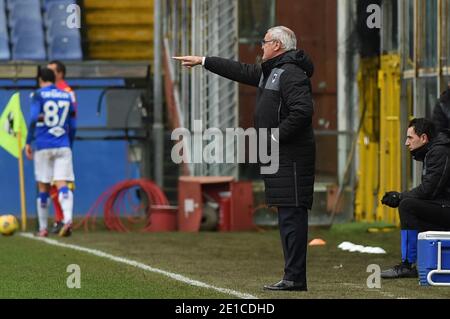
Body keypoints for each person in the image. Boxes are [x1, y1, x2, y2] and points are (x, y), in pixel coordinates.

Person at [174, 26, 315, 291]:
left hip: (292, 158)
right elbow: (239, 70)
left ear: (276, 45)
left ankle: (295, 278)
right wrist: (204, 61)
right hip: (279, 156)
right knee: (286, 216)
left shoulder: (291, 73)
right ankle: (291, 276)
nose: (260, 46)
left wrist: (272, 137)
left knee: (292, 216)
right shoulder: (271, 71)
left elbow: (302, 112)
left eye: (264, 42)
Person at [380, 118, 450, 278]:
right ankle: (421, 260)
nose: (406, 143)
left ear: (424, 138)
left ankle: (407, 265)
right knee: (409, 205)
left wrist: (399, 196)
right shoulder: (436, 150)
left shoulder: (440, 152)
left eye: (410, 138)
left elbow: (428, 191)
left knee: (407, 205)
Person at [25, 68, 77, 237]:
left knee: (43, 186)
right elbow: (73, 123)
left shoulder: (38, 94)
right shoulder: (66, 95)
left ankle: (42, 228)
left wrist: (28, 141)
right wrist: (70, 141)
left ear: (40, 79)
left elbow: (33, 118)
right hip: (63, 144)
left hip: (44, 144)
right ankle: (67, 219)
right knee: (62, 183)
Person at [47, 60, 77, 234]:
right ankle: (59, 219)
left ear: (60, 73)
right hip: (50, 142)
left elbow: (73, 118)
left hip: (60, 142)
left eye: (51, 71)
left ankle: (64, 219)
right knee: (52, 182)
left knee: (62, 181)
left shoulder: (66, 92)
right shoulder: (51, 92)